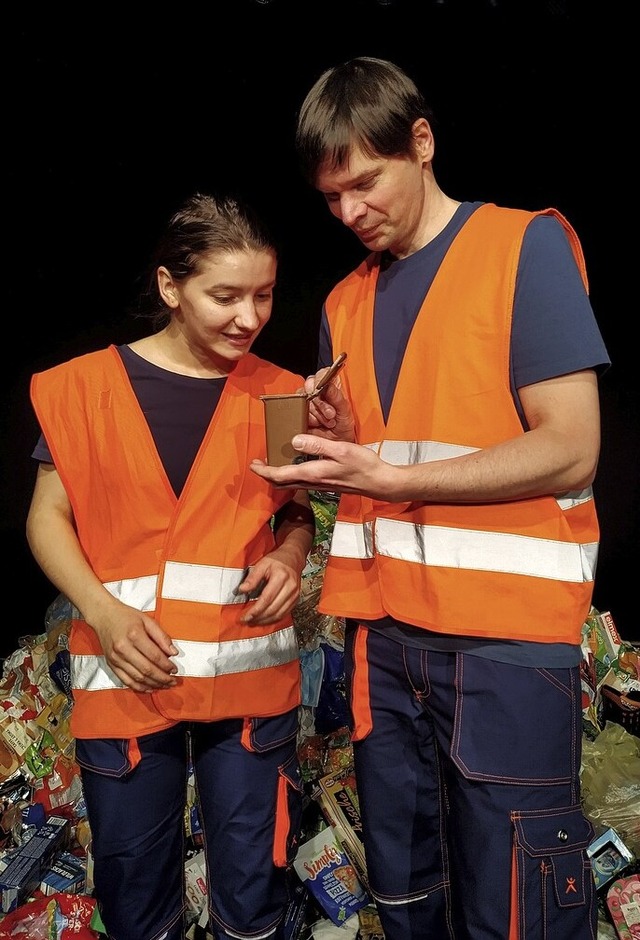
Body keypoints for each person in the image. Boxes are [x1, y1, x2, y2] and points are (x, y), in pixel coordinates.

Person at [250, 57, 610, 939]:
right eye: (331, 197)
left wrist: (391, 476)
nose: (348, 212)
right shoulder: (344, 299)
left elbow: (571, 447)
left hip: (505, 641)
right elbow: (389, 448)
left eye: (364, 183)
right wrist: (337, 436)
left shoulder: (522, 248)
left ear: (422, 142)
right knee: (406, 895)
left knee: (515, 905)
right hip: (383, 643)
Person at [26, 192, 315, 940]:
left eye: (263, 294)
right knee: (135, 890)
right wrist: (103, 612)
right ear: (169, 287)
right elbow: (46, 516)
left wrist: (289, 552)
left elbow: (293, 510)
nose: (249, 317)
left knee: (254, 892)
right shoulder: (81, 389)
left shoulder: (282, 393)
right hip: (126, 677)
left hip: (249, 684)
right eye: (225, 296)